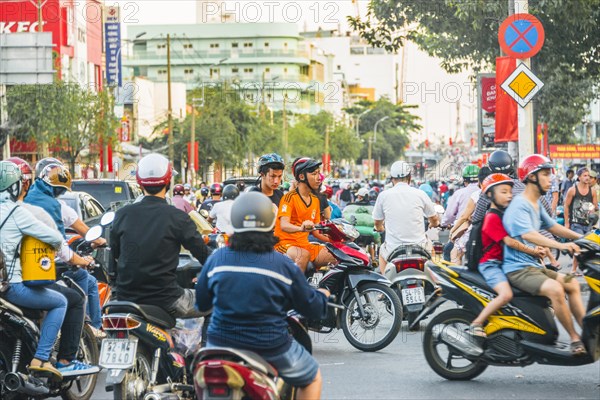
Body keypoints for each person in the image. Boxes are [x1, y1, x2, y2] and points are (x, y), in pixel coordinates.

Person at [196, 192, 329, 399]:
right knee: (312, 377)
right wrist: (322, 295)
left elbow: (201, 302)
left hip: (218, 345)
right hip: (269, 346)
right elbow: (311, 307)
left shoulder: (217, 259)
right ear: (270, 223)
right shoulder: (282, 265)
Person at [502, 154, 586, 356]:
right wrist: (562, 247)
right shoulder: (519, 204)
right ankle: (575, 339)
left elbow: (554, 226)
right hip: (518, 270)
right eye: (546, 175)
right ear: (532, 177)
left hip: (535, 267)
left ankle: (589, 333)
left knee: (572, 283)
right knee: (556, 289)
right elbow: (529, 234)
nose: (551, 180)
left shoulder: (536, 204)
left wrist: (585, 238)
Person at [111, 154, 210, 318]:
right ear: (169, 181)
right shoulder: (178, 218)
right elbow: (203, 254)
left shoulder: (122, 214)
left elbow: (115, 253)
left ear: (139, 182)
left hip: (124, 298)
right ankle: (209, 343)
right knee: (218, 300)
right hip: (167, 299)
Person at [0, 161, 67, 377]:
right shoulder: (16, 212)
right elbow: (55, 237)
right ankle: (41, 358)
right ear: (15, 187)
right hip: (11, 288)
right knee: (60, 302)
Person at [25, 160, 104, 331]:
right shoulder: (54, 207)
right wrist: (83, 261)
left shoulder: (23, 201)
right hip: (39, 271)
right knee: (79, 284)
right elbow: (62, 250)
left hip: (17, 273)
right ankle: (85, 328)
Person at [467, 174, 545, 337]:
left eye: (510, 191)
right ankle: (476, 324)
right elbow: (509, 242)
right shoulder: (491, 218)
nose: (509, 195)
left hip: (505, 263)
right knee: (506, 294)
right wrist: (533, 251)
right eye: (503, 192)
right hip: (491, 265)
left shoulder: (504, 215)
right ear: (490, 195)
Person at [373, 161, 440, 274]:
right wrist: (434, 224)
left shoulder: (383, 196)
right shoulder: (420, 194)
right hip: (420, 247)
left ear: (392, 179)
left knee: (381, 252)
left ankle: (387, 286)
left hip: (393, 249)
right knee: (433, 252)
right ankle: (435, 283)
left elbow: (377, 222)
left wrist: (380, 228)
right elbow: (434, 218)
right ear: (409, 177)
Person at [274, 157, 337, 273]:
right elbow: (284, 225)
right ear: (302, 177)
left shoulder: (315, 200)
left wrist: (337, 239)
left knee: (338, 255)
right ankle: (296, 290)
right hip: (284, 245)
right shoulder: (289, 198)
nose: (319, 178)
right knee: (303, 256)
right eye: (314, 174)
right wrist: (300, 228)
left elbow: (316, 231)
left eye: (319, 173)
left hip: (305, 245)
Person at [564, 167, 598, 275]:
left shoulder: (592, 191)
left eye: (588, 175)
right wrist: (567, 223)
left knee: (587, 246)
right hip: (576, 223)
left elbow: (595, 206)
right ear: (579, 177)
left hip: (588, 224)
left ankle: (584, 268)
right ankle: (573, 269)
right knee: (579, 245)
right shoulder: (572, 190)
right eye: (585, 175)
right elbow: (566, 206)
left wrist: (591, 209)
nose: (587, 178)